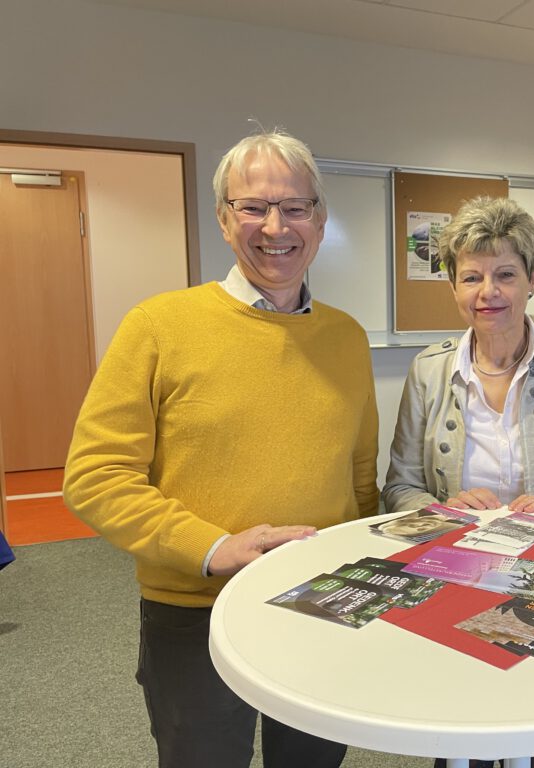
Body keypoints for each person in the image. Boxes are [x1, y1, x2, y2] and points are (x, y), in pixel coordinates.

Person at [63, 129, 380, 768]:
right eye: (253, 206)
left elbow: (360, 477)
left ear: (319, 221)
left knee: (314, 761)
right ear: (223, 218)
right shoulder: (158, 326)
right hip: (195, 608)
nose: (276, 227)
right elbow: (96, 475)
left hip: (322, 600)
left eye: (295, 207)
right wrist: (212, 548)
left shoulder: (346, 337)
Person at [382, 195, 534, 768]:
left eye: (506, 274)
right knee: (459, 724)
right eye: (472, 277)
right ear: (453, 287)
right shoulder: (429, 369)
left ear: (532, 280)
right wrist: (444, 511)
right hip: (454, 567)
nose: (488, 291)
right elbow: (399, 487)